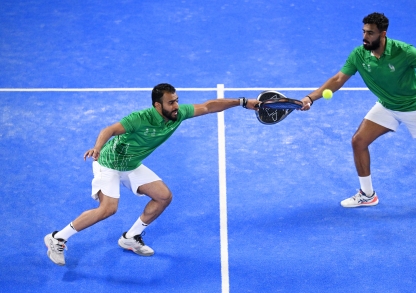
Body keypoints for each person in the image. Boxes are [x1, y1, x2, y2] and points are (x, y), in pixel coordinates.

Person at [44, 83, 259, 266]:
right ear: (158, 105)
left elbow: (207, 106)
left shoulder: (178, 114)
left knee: (163, 196)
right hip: (108, 162)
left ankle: (130, 238)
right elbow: (108, 130)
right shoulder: (140, 118)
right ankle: (57, 238)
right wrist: (97, 148)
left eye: (176, 101)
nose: (176, 106)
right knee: (108, 209)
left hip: (131, 164)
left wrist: (242, 102)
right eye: (171, 103)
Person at [299, 12, 416, 213]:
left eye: (370, 33)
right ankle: (367, 195)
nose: (365, 37)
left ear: (383, 34)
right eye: (363, 32)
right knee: (358, 141)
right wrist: (310, 98)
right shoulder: (359, 54)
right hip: (387, 106)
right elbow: (338, 79)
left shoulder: (405, 52)